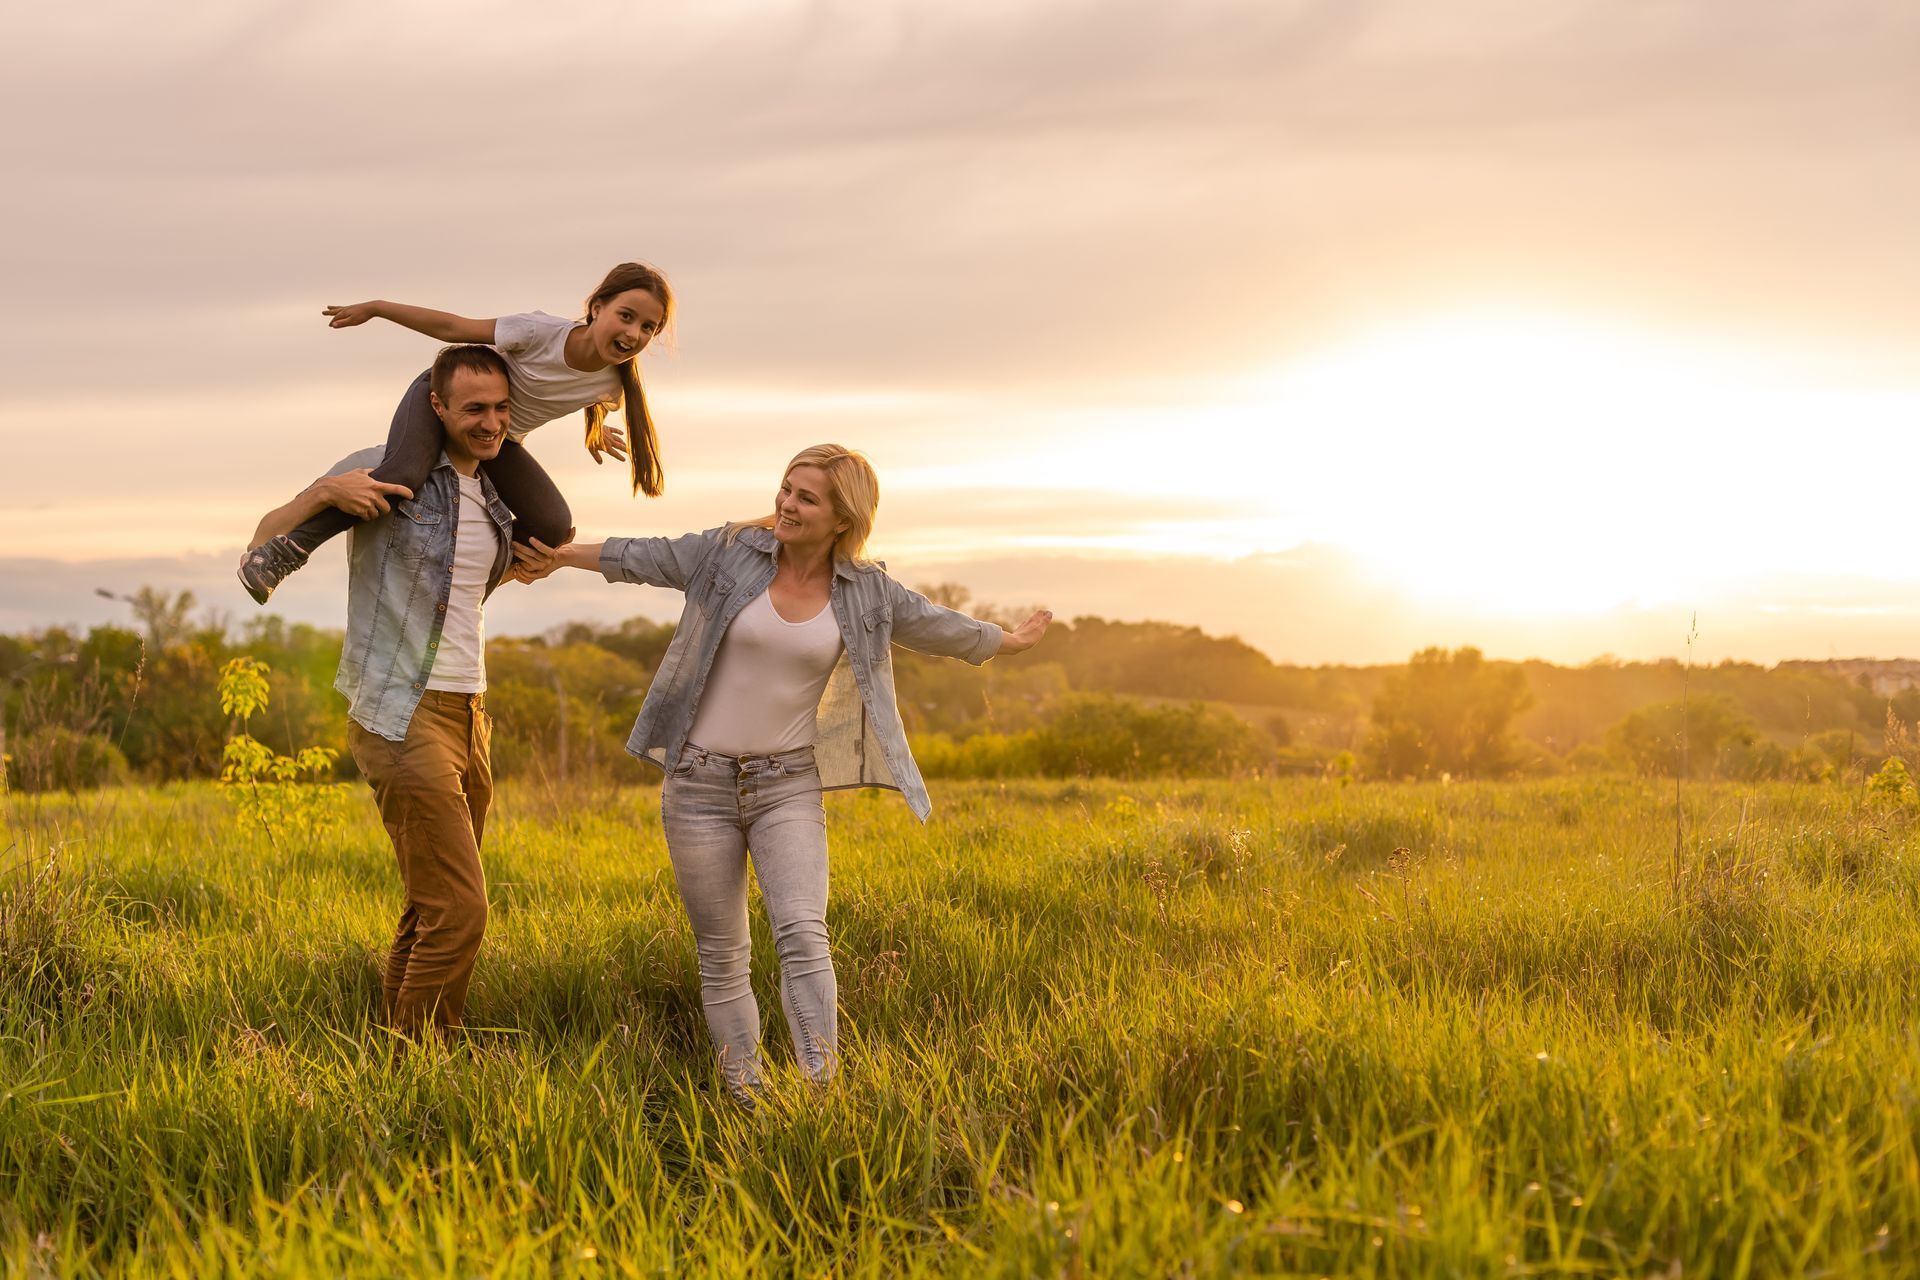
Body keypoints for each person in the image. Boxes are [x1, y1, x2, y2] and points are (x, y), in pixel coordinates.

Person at [513, 445, 1052, 1102]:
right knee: (723, 953)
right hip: (698, 786)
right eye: (787, 489)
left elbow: (938, 626)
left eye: (807, 498)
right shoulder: (729, 553)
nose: (787, 505)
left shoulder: (868, 591)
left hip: (787, 785)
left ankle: (821, 1093)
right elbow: (646, 556)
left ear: (842, 517)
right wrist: (558, 555)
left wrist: (1007, 641)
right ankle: (746, 1097)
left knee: (802, 932)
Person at [247, 344, 522, 1042]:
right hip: (400, 712)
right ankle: (427, 1067)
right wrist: (321, 493)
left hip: (469, 711)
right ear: (436, 405)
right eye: (473, 409)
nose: (490, 423)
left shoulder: (495, 491)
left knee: (431, 904)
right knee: (461, 910)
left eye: (499, 408)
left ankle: (397, 1054)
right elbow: (259, 543)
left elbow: (459, 594)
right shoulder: (380, 465)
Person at [238, 261, 672, 604]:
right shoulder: (538, 331)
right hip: (442, 397)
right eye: (626, 316)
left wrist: (594, 433)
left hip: (496, 438)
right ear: (597, 307)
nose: (634, 333)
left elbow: (588, 398)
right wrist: (378, 307)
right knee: (403, 476)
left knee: (553, 526)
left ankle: (468, 595)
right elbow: (451, 328)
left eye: (648, 327)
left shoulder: (616, 384)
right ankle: (281, 553)